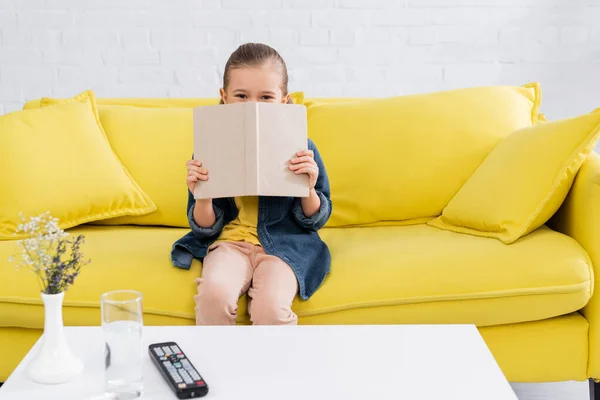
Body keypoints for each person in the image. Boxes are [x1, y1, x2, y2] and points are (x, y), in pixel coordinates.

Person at [171, 43, 332, 326]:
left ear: (284, 100)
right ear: (224, 96)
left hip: (284, 246)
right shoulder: (210, 145)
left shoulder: (302, 147)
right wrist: (203, 196)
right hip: (230, 244)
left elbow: (314, 221)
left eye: (266, 96)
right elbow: (203, 225)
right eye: (241, 96)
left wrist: (308, 190)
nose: (253, 105)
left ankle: (271, 368)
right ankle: (218, 364)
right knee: (213, 296)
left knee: (270, 309)